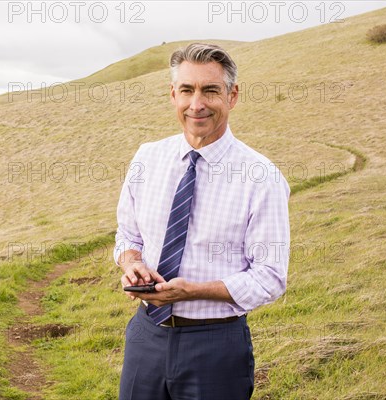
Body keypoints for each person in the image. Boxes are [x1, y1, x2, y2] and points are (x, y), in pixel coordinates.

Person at [114, 43, 290, 400]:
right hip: (145, 337)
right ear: (173, 95)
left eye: (210, 90)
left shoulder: (261, 177)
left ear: (232, 95)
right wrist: (132, 263)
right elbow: (127, 236)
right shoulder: (147, 158)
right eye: (187, 90)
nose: (197, 104)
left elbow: (270, 277)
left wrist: (192, 291)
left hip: (216, 347)